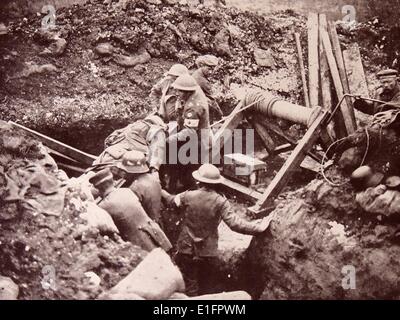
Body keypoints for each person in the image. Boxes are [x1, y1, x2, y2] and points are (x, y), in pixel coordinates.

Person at [161, 164, 274, 296]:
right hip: (208, 252)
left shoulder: (187, 196)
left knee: (190, 285)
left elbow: (171, 201)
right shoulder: (221, 202)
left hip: (186, 249)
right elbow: (235, 224)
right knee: (207, 286)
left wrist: (161, 189)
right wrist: (258, 227)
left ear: (199, 181)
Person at [90, 168, 172, 252]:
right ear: (112, 181)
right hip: (156, 235)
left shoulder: (104, 206)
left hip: (141, 245)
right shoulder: (127, 191)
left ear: (99, 188)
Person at [92, 114, 167, 176]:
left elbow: (109, 139)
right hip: (126, 162)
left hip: (105, 156)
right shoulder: (157, 129)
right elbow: (158, 148)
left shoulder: (132, 126)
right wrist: (154, 170)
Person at [112, 150, 163, 224]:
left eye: (126, 171)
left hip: (146, 225)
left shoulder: (135, 188)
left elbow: (128, 213)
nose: (124, 173)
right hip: (157, 221)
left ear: (132, 171)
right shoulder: (152, 179)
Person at [192, 55, 223, 119]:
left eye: (213, 69)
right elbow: (212, 101)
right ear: (202, 65)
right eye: (209, 69)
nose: (211, 72)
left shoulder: (196, 73)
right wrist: (220, 115)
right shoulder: (202, 81)